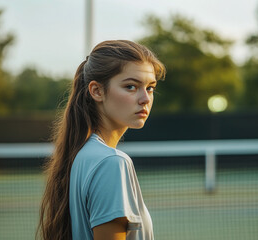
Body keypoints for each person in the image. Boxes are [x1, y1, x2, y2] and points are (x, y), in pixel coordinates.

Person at [37, 40, 166, 240]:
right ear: (97, 91)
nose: (145, 99)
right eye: (131, 86)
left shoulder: (82, 154)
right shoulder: (111, 162)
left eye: (150, 88)